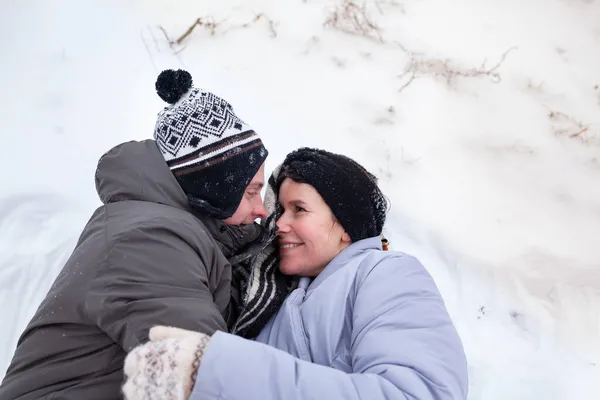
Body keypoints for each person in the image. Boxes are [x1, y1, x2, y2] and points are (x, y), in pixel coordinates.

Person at [0, 69, 290, 400]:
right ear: (215, 190)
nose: (261, 210)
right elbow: (204, 376)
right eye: (251, 192)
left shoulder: (167, 228)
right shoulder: (149, 239)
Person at [121, 148, 469, 400]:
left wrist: (218, 371)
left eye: (298, 210)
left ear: (347, 225)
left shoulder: (386, 272)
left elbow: (419, 392)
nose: (278, 224)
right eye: (280, 209)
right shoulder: (273, 293)